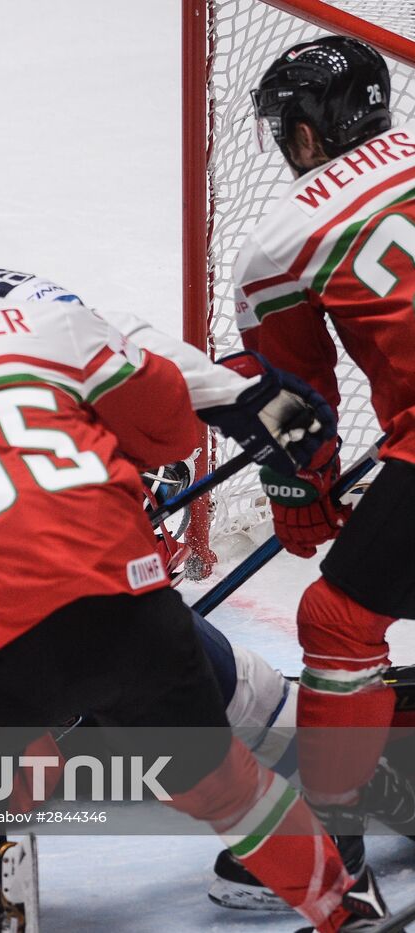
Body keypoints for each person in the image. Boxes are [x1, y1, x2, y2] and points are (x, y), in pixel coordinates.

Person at [0, 211, 382, 932]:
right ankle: (344, 903)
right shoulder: (45, 320)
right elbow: (172, 430)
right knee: (222, 778)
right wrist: (239, 398)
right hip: (127, 611)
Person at [237, 35, 415, 874]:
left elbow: (293, 405)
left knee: (337, 620)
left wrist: (296, 491)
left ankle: (326, 847)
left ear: (306, 135)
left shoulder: (286, 236)